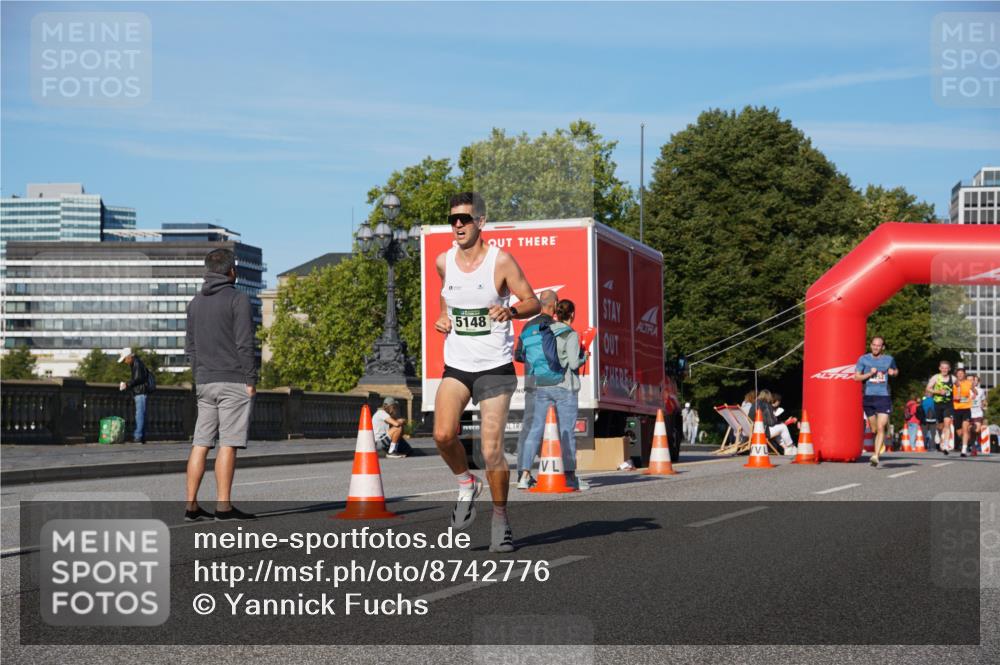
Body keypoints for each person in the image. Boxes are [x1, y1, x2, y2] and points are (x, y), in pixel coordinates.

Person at [432, 191, 540, 553]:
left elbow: (533, 301)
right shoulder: (443, 261)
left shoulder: (500, 261)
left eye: (464, 219)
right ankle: (466, 484)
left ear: (480, 222)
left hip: (495, 367)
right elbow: (446, 296)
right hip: (458, 364)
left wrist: (511, 312)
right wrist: (444, 317)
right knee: (443, 434)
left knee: (491, 451)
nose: (457, 225)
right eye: (453, 220)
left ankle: (500, 519)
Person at [184, 248, 258, 522]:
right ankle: (223, 507)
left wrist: (199, 375)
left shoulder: (194, 302)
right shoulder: (238, 299)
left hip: (204, 381)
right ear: (232, 271)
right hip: (233, 380)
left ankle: (191, 506)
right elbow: (245, 344)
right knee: (228, 443)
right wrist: (251, 380)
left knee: (200, 442)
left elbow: (190, 347)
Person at [523, 298, 587, 490]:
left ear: (556, 314)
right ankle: (570, 477)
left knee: (536, 429)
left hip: (543, 385)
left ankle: (525, 474)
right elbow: (574, 364)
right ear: (572, 314)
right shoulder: (571, 335)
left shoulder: (546, 331)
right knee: (567, 431)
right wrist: (584, 357)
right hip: (565, 387)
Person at [513, 289, 558, 489]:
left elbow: (518, 355)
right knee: (557, 427)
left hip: (532, 382)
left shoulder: (526, 327)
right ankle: (564, 473)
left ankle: (523, 474)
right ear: (554, 305)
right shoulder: (553, 327)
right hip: (551, 382)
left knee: (529, 427)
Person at [854, 336, 898, 467]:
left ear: (882, 347)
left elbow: (896, 371)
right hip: (868, 396)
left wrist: (893, 373)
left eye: (878, 345)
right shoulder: (863, 359)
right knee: (874, 429)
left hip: (884, 396)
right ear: (871, 345)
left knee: (880, 427)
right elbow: (856, 377)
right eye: (874, 345)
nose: (876, 347)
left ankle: (875, 455)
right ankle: (880, 443)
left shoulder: (889, 359)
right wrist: (868, 374)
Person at [118, 348, 151, 443]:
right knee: (142, 415)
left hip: (140, 393)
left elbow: (138, 379)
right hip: (141, 392)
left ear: (129, 357)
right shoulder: (137, 363)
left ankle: (138, 436)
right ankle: (142, 436)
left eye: (125, 359)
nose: (124, 362)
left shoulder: (136, 364)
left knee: (139, 415)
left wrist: (127, 384)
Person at [747, 389, 795, 455]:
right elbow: (771, 422)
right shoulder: (766, 405)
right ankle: (790, 447)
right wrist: (777, 420)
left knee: (778, 430)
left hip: (752, 430)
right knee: (783, 427)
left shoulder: (754, 404)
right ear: (769, 396)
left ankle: (786, 448)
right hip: (762, 432)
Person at [925, 360, 955, 454]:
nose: (944, 370)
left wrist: (958, 394)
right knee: (940, 426)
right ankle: (938, 433)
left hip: (949, 404)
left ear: (949, 369)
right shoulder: (936, 377)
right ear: (940, 368)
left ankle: (945, 445)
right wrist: (938, 392)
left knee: (947, 424)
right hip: (938, 403)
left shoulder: (953, 378)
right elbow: (928, 388)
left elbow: (959, 386)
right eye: (943, 368)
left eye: (946, 368)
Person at [952, 365, 974, 456]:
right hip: (956, 409)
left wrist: (973, 395)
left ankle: (964, 450)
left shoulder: (969, 383)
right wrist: (954, 397)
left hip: (966, 409)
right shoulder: (953, 384)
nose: (960, 375)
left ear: (964, 375)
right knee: (959, 432)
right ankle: (967, 442)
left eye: (962, 373)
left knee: (965, 429)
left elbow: (974, 391)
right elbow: (948, 396)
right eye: (959, 373)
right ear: (956, 374)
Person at [970, 373, 989, 450]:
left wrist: (984, 405)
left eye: (976, 381)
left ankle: (974, 442)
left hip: (978, 413)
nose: (975, 382)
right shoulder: (967, 390)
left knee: (977, 430)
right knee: (971, 431)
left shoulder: (981, 391)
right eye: (973, 380)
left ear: (978, 382)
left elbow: (984, 401)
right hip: (969, 413)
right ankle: (973, 447)